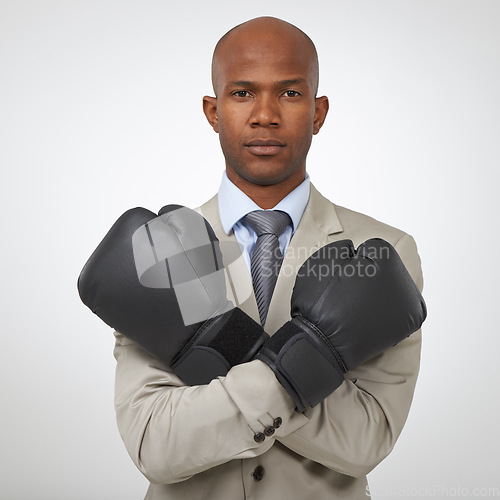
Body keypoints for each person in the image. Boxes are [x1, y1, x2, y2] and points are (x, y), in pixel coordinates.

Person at [113, 16, 424, 499]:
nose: (264, 115)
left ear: (319, 113)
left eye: (290, 94)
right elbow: (155, 444)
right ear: (212, 112)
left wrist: (218, 351)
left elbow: (366, 440)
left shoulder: (388, 253)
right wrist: (301, 365)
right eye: (241, 93)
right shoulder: (159, 250)